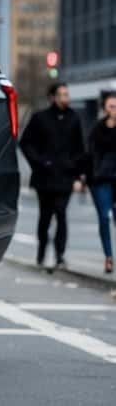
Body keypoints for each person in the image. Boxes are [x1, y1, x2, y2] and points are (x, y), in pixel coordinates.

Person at [19, 82, 86, 274]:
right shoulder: (40, 118)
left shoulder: (74, 118)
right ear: (53, 97)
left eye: (67, 94)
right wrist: (40, 162)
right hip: (45, 178)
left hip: (65, 177)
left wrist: (78, 175)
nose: (66, 98)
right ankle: (41, 252)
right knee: (45, 217)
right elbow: (26, 143)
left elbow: (80, 149)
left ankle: (59, 256)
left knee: (62, 214)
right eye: (62, 94)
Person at [87, 91, 116, 275]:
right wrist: (85, 178)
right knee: (104, 217)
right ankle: (108, 256)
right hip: (101, 180)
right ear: (104, 108)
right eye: (111, 106)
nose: (115, 110)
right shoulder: (97, 129)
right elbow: (90, 155)